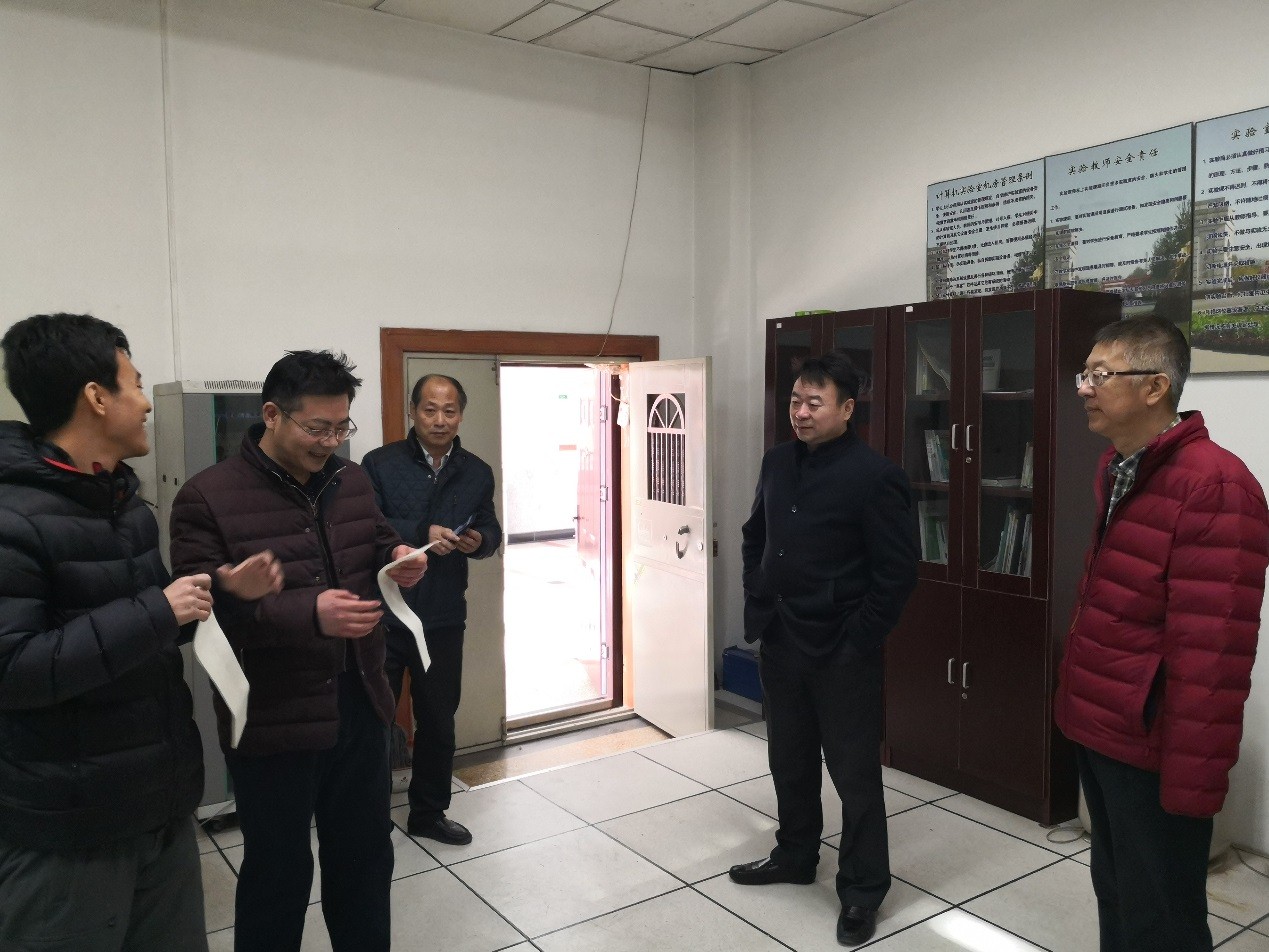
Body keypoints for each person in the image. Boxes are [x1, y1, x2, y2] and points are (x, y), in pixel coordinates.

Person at [0, 313, 279, 952]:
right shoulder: (12, 517)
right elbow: (13, 670)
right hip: (71, 827)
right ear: (96, 397)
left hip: (159, 800)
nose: (147, 402)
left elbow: (146, 627)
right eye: (134, 383)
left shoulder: (122, 503)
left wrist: (222, 594)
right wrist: (159, 610)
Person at [169, 350, 427, 952]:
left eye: (341, 427)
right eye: (317, 428)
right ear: (272, 415)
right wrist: (308, 613)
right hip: (273, 717)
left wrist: (397, 557)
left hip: (360, 703)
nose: (331, 441)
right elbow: (196, 613)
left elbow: (376, 538)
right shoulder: (207, 496)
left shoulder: (350, 479)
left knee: (365, 861)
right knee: (278, 872)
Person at [1055, 316, 1268, 952]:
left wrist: (1191, 782)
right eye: (1084, 374)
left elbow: (1212, 656)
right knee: (1117, 887)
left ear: (1155, 387)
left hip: (1151, 740)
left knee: (1164, 913)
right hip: (1104, 720)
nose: (1084, 388)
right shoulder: (1121, 467)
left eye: (1100, 375)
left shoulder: (1215, 486)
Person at [730, 350, 918, 947]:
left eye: (815, 402)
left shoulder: (875, 476)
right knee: (788, 759)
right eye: (795, 401)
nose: (801, 412)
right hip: (781, 636)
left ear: (847, 408)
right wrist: (757, 586)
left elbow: (897, 573)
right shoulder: (777, 461)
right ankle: (795, 855)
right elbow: (756, 533)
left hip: (841, 650)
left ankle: (862, 889)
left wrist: (858, 637)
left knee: (854, 775)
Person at [362, 373, 502, 846]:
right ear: (412, 411)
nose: (439, 420)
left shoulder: (477, 471)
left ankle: (428, 812)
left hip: (442, 616)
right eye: (429, 409)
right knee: (374, 721)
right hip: (384, 614)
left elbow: (490, 528)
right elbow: (367, 526)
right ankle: (368, 816)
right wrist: (423, 529)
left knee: (439, 720)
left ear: (460, 415)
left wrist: (481, 541)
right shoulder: (378, 463)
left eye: (449, 410)